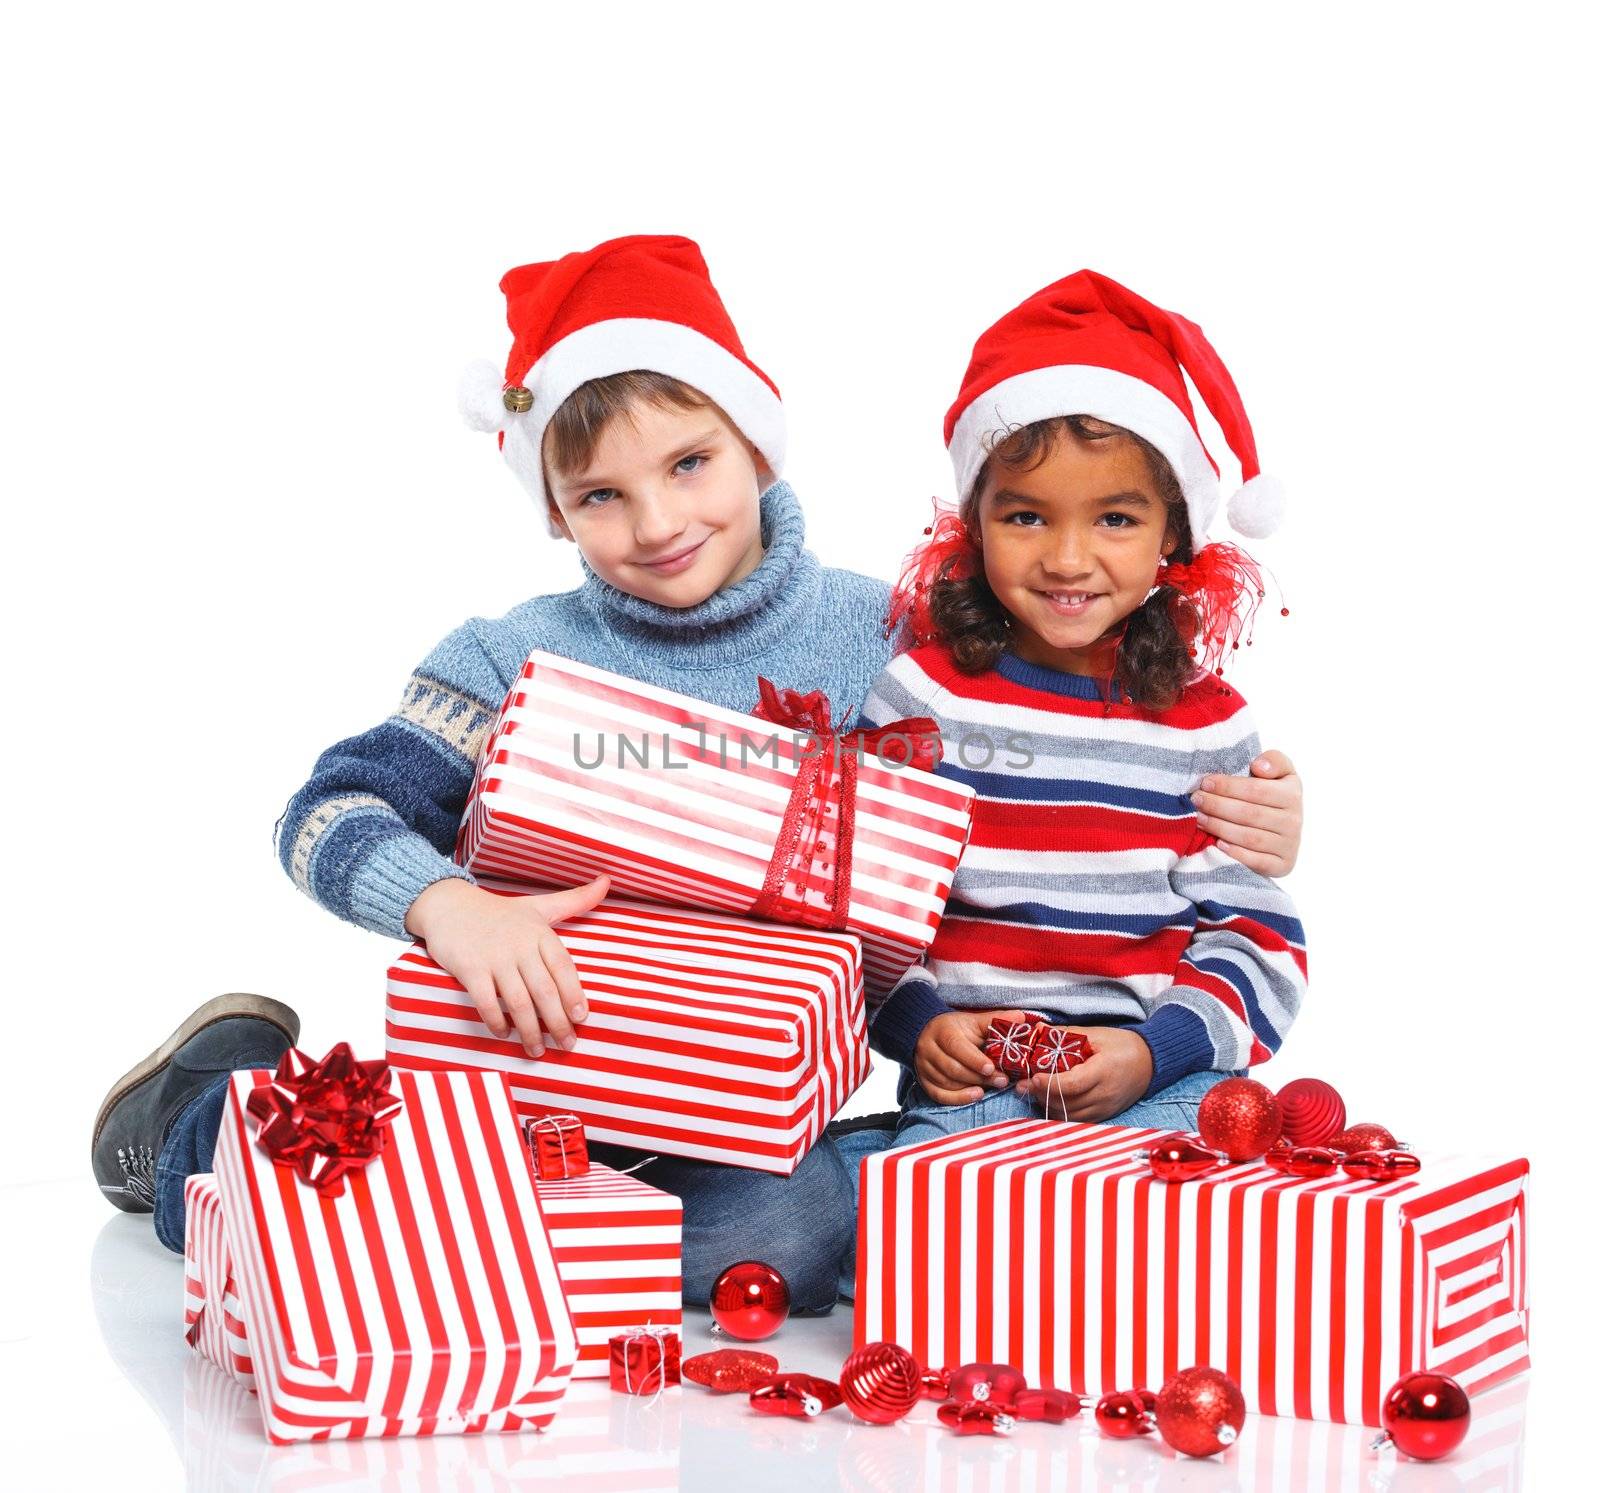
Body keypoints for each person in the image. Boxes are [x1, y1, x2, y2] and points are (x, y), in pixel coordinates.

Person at [91, 241, 1304, 1313]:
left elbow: (1031, 783)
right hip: (524, 1073)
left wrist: (1255, 809)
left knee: (789, 1230)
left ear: (756, 447)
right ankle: (203, 1113)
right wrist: (445, 904)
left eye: (689, 464)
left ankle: (836, 1195)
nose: (657, 520)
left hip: (733, 1108)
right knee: (369, 1208)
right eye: (600, 494)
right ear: (554, 512)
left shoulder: (889, 639)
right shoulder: (509, 654)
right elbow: (324, 813)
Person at [840, 269, 1308, 1169]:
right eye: (1025, 515)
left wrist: (1156, 1048)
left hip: (1154, 1081)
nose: (1066, 558)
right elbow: (864, 907)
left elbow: (1256, 932)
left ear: (1173, 532)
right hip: (973, 1083)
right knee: (930, 1227)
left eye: (1116, 518)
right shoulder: (922, 700)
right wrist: (922, 1022)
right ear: (973, 522)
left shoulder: (1208, 729)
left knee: (1186, 1214)